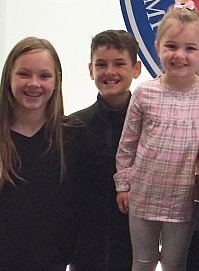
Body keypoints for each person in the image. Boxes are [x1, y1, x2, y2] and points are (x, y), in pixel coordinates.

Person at [0, 37, 107, 270]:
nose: (34, 83)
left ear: (57, 81)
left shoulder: (75, 137)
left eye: (44, 76)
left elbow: (87, 215)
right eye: (24, 74)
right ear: (8, 77)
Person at [114, 1, 199, 271]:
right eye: (171, 46)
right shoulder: (144, 93)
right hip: (143, 194)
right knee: (142, 261)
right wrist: (123, 185)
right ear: (157, 47)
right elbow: (128, 144)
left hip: (183, 196)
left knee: (174, 262)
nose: (180, 55)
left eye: (190, 48)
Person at [69, 29, 142, 270]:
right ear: (91, 70)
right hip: (86, 250)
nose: (109, 72)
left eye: (119, 64)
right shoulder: (72, 127)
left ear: (136, 69)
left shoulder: (152, 126)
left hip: (137, 248)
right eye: (101, 64)